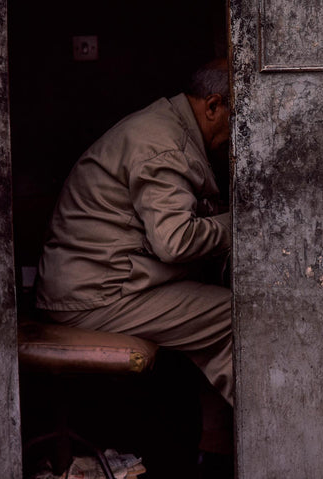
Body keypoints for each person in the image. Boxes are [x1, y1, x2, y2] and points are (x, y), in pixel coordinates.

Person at [35, 59, 234, 411]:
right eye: (241, 114)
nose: (241, 132)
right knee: (238, 319)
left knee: (220, 307)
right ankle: (279, 440)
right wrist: (245, 225)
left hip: (100, 285)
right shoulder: (164, 145)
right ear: (214, 105)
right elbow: (176, 240)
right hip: (96, 295)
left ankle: (226, 446)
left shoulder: (165, 126)